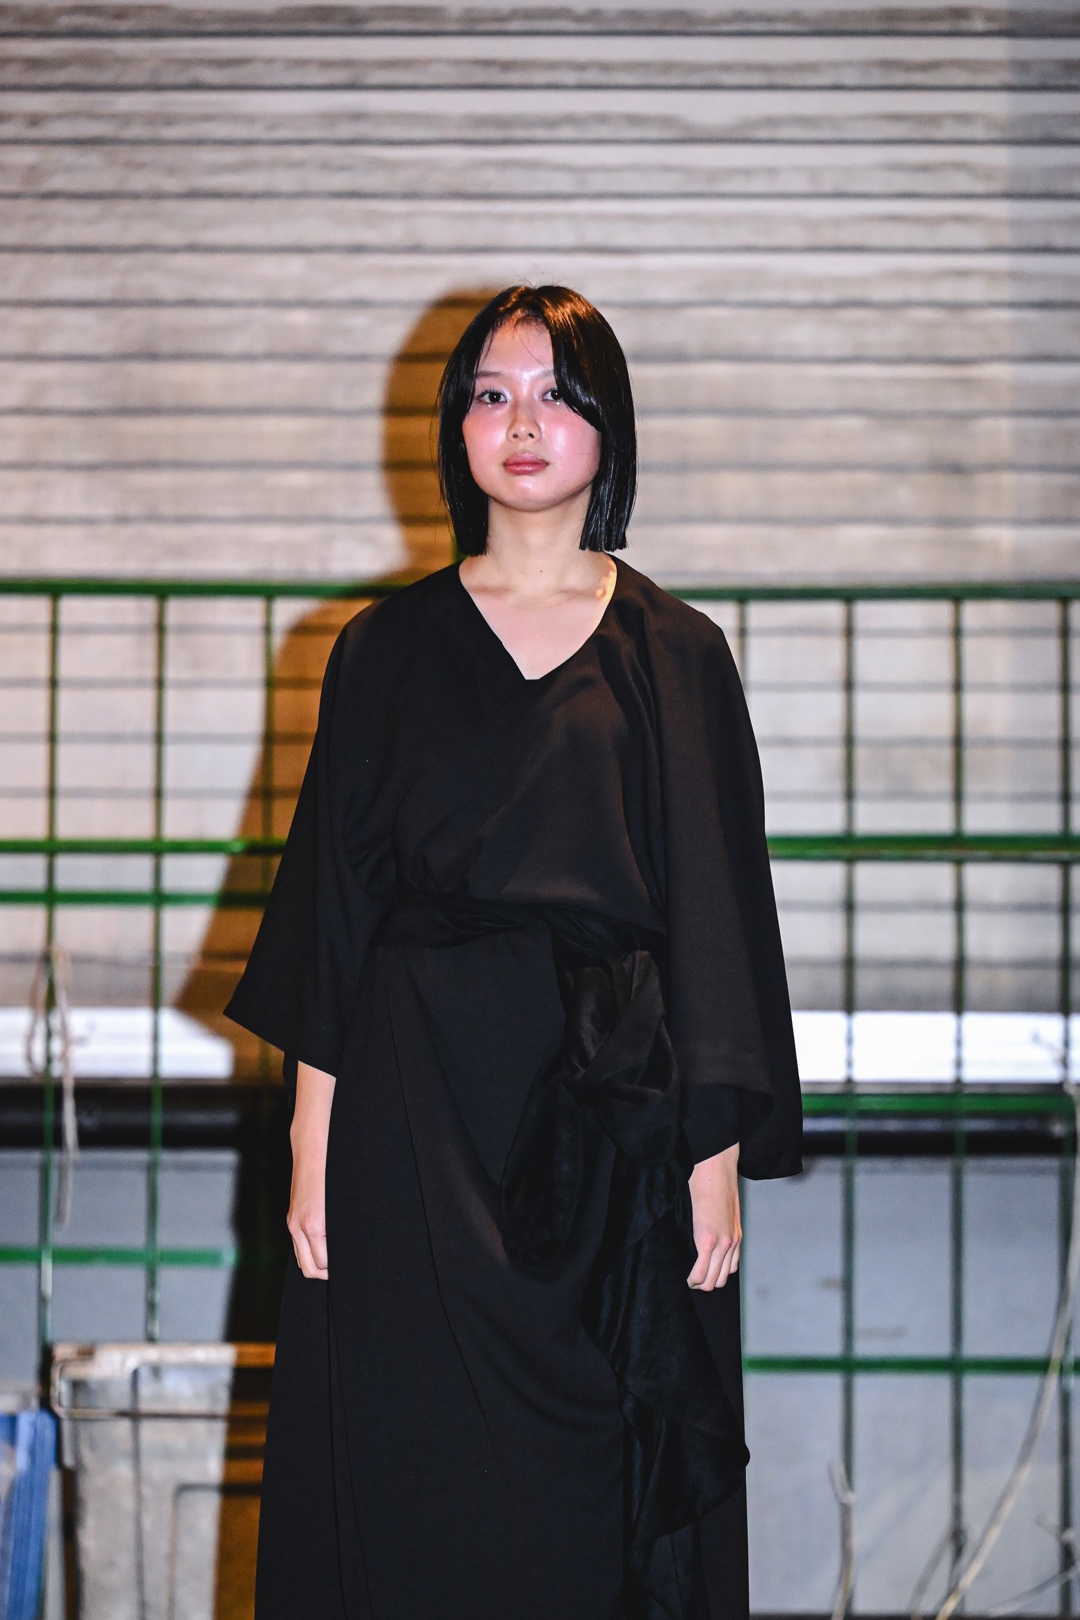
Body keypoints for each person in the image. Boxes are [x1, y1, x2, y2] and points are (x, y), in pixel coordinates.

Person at [226, 285, 802, 1620]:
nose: (523, 424)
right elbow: (334, 906)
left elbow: (718, 911)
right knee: (405, 1452)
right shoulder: (380, 650)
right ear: (456, 428)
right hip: (409, 1109)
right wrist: (312, 1142)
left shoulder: (678, 652)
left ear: (609, 427)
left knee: (599, 1468)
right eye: (491, 394)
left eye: (556, 394)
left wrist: (713, 1158)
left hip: (613, 1115)